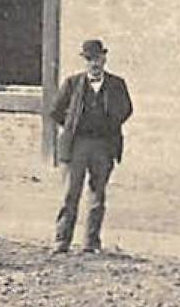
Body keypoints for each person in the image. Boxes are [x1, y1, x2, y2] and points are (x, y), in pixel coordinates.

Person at [50, 39, 133, 254]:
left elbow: (126, 110)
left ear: (104, 59)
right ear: (84, 61)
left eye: (97, 58)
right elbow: (56, 111)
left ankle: (91, 242)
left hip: (103, 145)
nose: (94, 63)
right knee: (70, 194)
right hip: (77, 145)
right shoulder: (72, 83)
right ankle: (62, 240)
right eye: (89, 59)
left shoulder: (117, 85)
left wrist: (108, 125)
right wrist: (72, 126)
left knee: (97, 195)